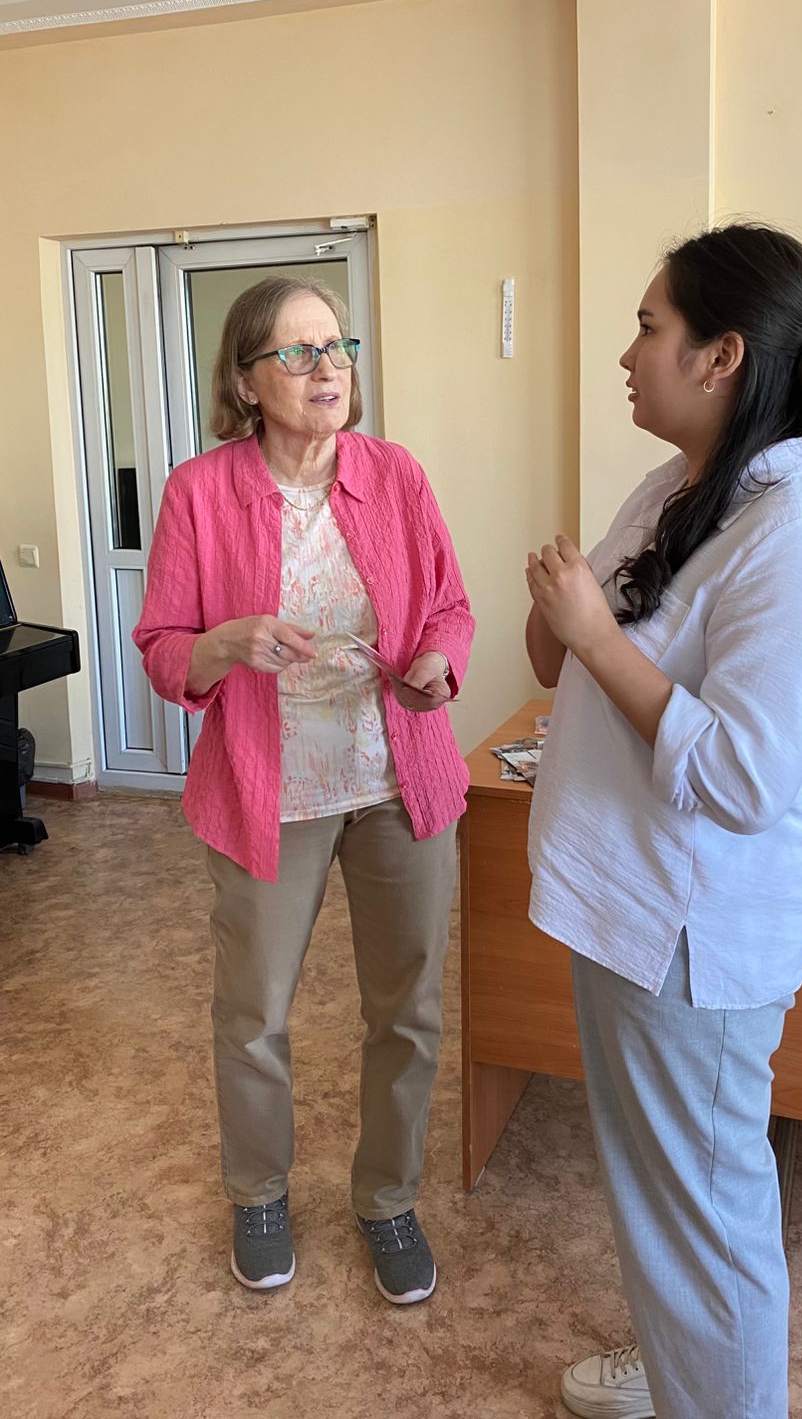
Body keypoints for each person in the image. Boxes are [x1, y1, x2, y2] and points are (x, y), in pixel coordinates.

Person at [524, 224, 802, 1419]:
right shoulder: (680, 484)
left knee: (708, 1217)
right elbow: (585, 644)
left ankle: (718, 1386)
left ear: (721, 355)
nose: (629, 353)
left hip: (696, 938)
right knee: (662, 1196)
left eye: (648, 327)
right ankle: (681, 1361)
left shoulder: (795, 536)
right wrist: (562, 624)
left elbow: (741, 773)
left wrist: (590, 636)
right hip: (631, 911)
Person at [133, 274, 473, 1304]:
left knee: (408, 1010)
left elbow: (449, 609)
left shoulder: (395, 474)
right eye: (298, 352)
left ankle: (388, 1198)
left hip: (396, 780)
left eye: (337, 346)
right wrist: (224, 643)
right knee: (254, 1012)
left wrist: (439, 665)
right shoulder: (201, 492)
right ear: (248, 381)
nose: (328, 368)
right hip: (265, 790)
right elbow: (163, 646)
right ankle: (259, 1193)